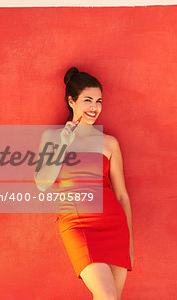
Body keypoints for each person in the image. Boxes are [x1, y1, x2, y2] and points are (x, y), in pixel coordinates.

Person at [34, 67, 134, 300]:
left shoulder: (109, 143)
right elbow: (42, 182)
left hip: (114, 226)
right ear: (72, 101)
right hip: (78, 224)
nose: (94, 107)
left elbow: (122, 196)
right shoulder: (52, 137)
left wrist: (129, 240)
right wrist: (63, 145)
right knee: (108, 296)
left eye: (98, 101)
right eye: (87, 100)